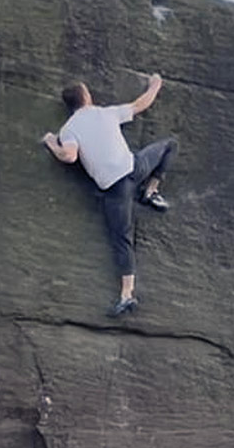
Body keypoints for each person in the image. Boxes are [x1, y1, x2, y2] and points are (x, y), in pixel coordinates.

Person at [41, 74, 178, 316]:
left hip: (113, 188)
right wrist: (155, 85)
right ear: (86, 97)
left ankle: (126, 295)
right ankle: (151, 190)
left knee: (121, 239)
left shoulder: (68, 129)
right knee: (170, 145)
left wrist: (52, 141)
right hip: (134, 169)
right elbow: (140, 105)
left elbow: (69, 156)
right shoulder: (104, 113)